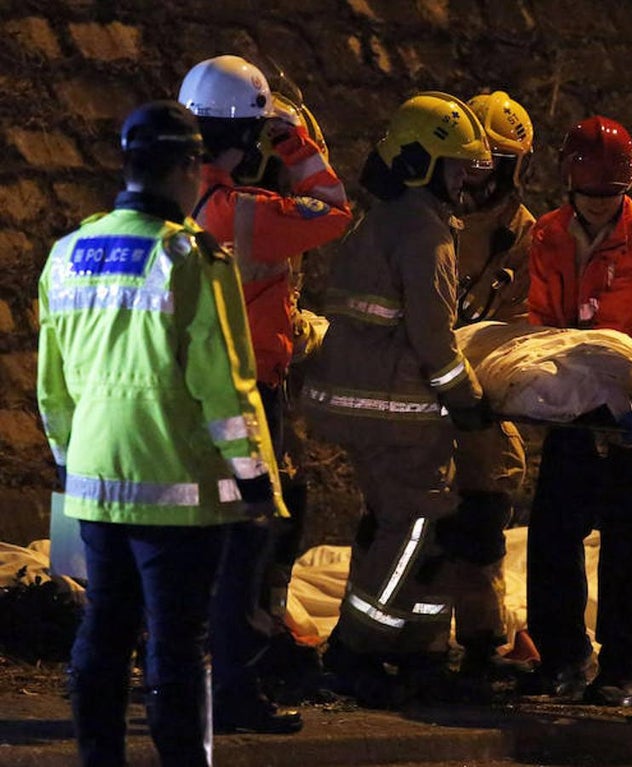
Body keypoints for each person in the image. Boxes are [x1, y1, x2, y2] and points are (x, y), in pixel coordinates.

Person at [37, 100, 287, 767]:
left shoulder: (67, 253)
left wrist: (70, 459)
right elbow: (225, 389)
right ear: (185, 168)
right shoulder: (192, 257)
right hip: (174, 485)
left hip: (93, 480)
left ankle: (100, 758)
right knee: (178, 639)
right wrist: (257, 480)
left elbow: (50, 386)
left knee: (103, 629)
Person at [303, 91, 494, 707]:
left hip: (370, 403)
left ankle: (422, 651)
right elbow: (435, 340)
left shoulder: (386, 220)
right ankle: (357, 648)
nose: (466, 178)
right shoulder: (425, 234)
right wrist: (468, 398)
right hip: (399, 411)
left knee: (425, 528)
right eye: (458, 165)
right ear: (423, 162)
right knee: (413, 526)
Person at [178, 53, 352, 732]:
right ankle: (237, 692)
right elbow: (334, 210)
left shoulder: (170, 200)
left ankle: (179, 679)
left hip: (181, 398)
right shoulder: (245, 212)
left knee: (191, 549)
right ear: (248, 136)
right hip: (246, 398)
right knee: (246, 547)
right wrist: (294, 139)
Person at [522, 114, 632, 707]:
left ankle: (624, 667)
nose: (597, 204)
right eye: (588, 194)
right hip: (573, 402)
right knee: (553, 536)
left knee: (623, 543)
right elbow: (542, 314)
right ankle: (562, 657)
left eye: (608, 194)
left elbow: (621, 331)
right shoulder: (547, 234)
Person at [435, 90, 536, 679]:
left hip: (481, 406)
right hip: (416, 398)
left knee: (481, 518)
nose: (482, 177)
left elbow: (525, 326)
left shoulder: (522, 236)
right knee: (405, 527)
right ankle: (398, 643)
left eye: (495, 164)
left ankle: (479, 642)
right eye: (476, 161)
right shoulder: (421, 220)